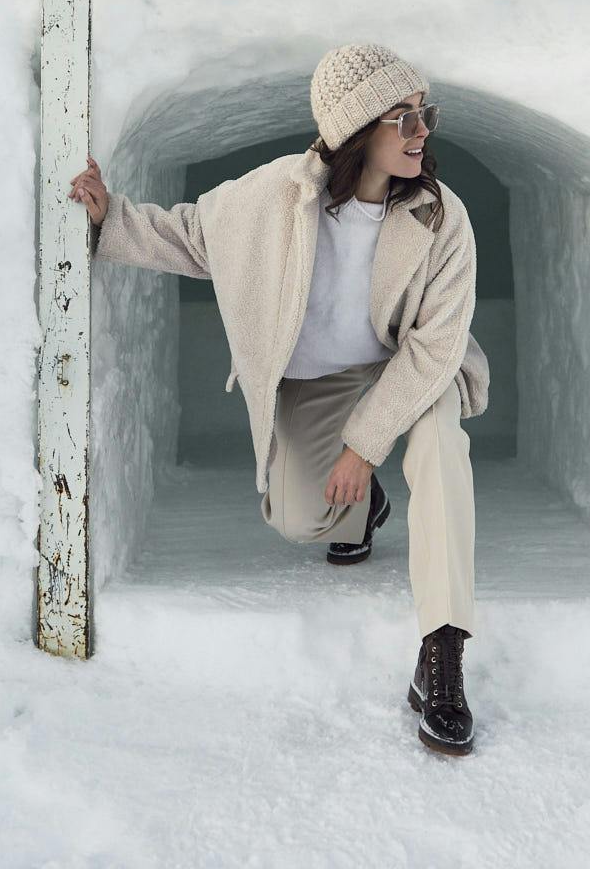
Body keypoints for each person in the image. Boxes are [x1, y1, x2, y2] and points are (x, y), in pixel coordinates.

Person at [68, 42, 490, 756]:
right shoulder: (272, 197)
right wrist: (111, 219)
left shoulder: (441, 218)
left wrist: (364, 444)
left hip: (407, 373)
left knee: (442, 443)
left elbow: (434, 346)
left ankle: (441, 656)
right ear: (357, 130)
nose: (423, 133)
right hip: (315, 385)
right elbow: (196, 236)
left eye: (425, 116)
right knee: (301, 519)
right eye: (404, 119)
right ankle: (363, 510)